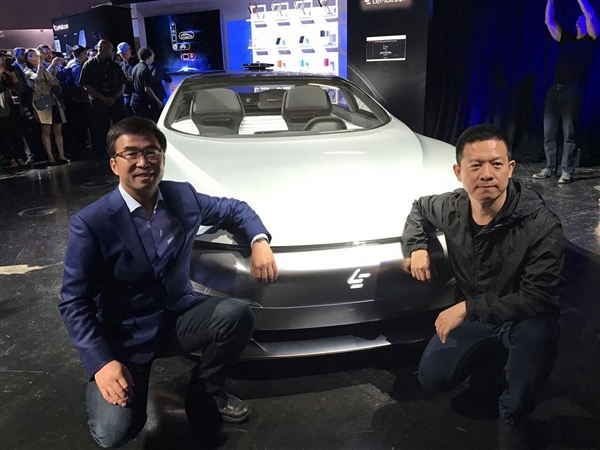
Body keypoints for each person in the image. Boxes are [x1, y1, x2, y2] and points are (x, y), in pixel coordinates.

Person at [59, 117, 278, 448]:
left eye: (152, 152)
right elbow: (74, 302)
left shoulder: (182, 196)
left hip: (178, 317)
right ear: (114, 165)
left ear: (162, 157)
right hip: (126, 336)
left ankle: (205, 392)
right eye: (131, 153)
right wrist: (101, 363)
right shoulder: (92, 223)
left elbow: (234, 209)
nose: (143, 162)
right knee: (113, 432)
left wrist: (259, 240)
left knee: (236, 314)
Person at [403, 124, 564, 449]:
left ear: (510, 168)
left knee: (539, 332)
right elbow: (419, 209)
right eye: (476, 165)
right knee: (432, 378)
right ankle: (493, 360)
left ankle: (514, 413)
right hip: (477, 319)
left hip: (520, 319)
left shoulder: (542, 225)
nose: (487, 174)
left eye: (496, 164)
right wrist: (416, 247)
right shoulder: (451, 208)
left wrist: (467, 307)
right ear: (458, 172)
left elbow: (539, 298)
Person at [533, 0, 598, 184]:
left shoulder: (590, 40)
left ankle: (567, 171)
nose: (579, 19)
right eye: (578, 17)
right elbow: (549, 22)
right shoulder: (567, 38)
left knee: (569, 133)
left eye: (581, 18)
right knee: (549, 132)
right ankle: (549, 168)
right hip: (554, 90)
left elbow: (591, 16)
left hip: (573, 91)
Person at [80, 40, 126, 158]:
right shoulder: (89, 65)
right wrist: (102, 97)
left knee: (120, 126)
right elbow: (86, 85)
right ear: (104, 49)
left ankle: (121, 148)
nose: (112, 52)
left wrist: (115, 97)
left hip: (116, 102)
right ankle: (103, 152)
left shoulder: (114, 65)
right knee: (101, 129)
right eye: (110, 49)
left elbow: (122, 83)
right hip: (99, 103)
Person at [30, 47, 69, 165]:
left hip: (53, 98)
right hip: (42, 99)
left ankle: (61, 154)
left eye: (37, 55)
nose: (37, 57)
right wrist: (41, 63)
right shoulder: (28, 70)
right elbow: (38, 78)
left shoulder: (44, 68)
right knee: (46, 130)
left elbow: (53, 80)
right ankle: (50, 156)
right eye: (32, 56)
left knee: (58, 129)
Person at [130, 47, 164, 121]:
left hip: (135, 101)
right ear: (148, 57)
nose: (152, 58)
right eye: (152, 56)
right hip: (143, 103)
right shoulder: (145, 69)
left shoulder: (135, 67)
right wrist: (158, 101)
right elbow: (147, 89)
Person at [115, 42, 139, 117]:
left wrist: (132, 79)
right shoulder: (121, 65)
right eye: (121, 54)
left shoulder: (137, 63)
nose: (123, 55)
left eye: (124, 53)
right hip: (126, 94)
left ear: (130, 51)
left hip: (136, 94)